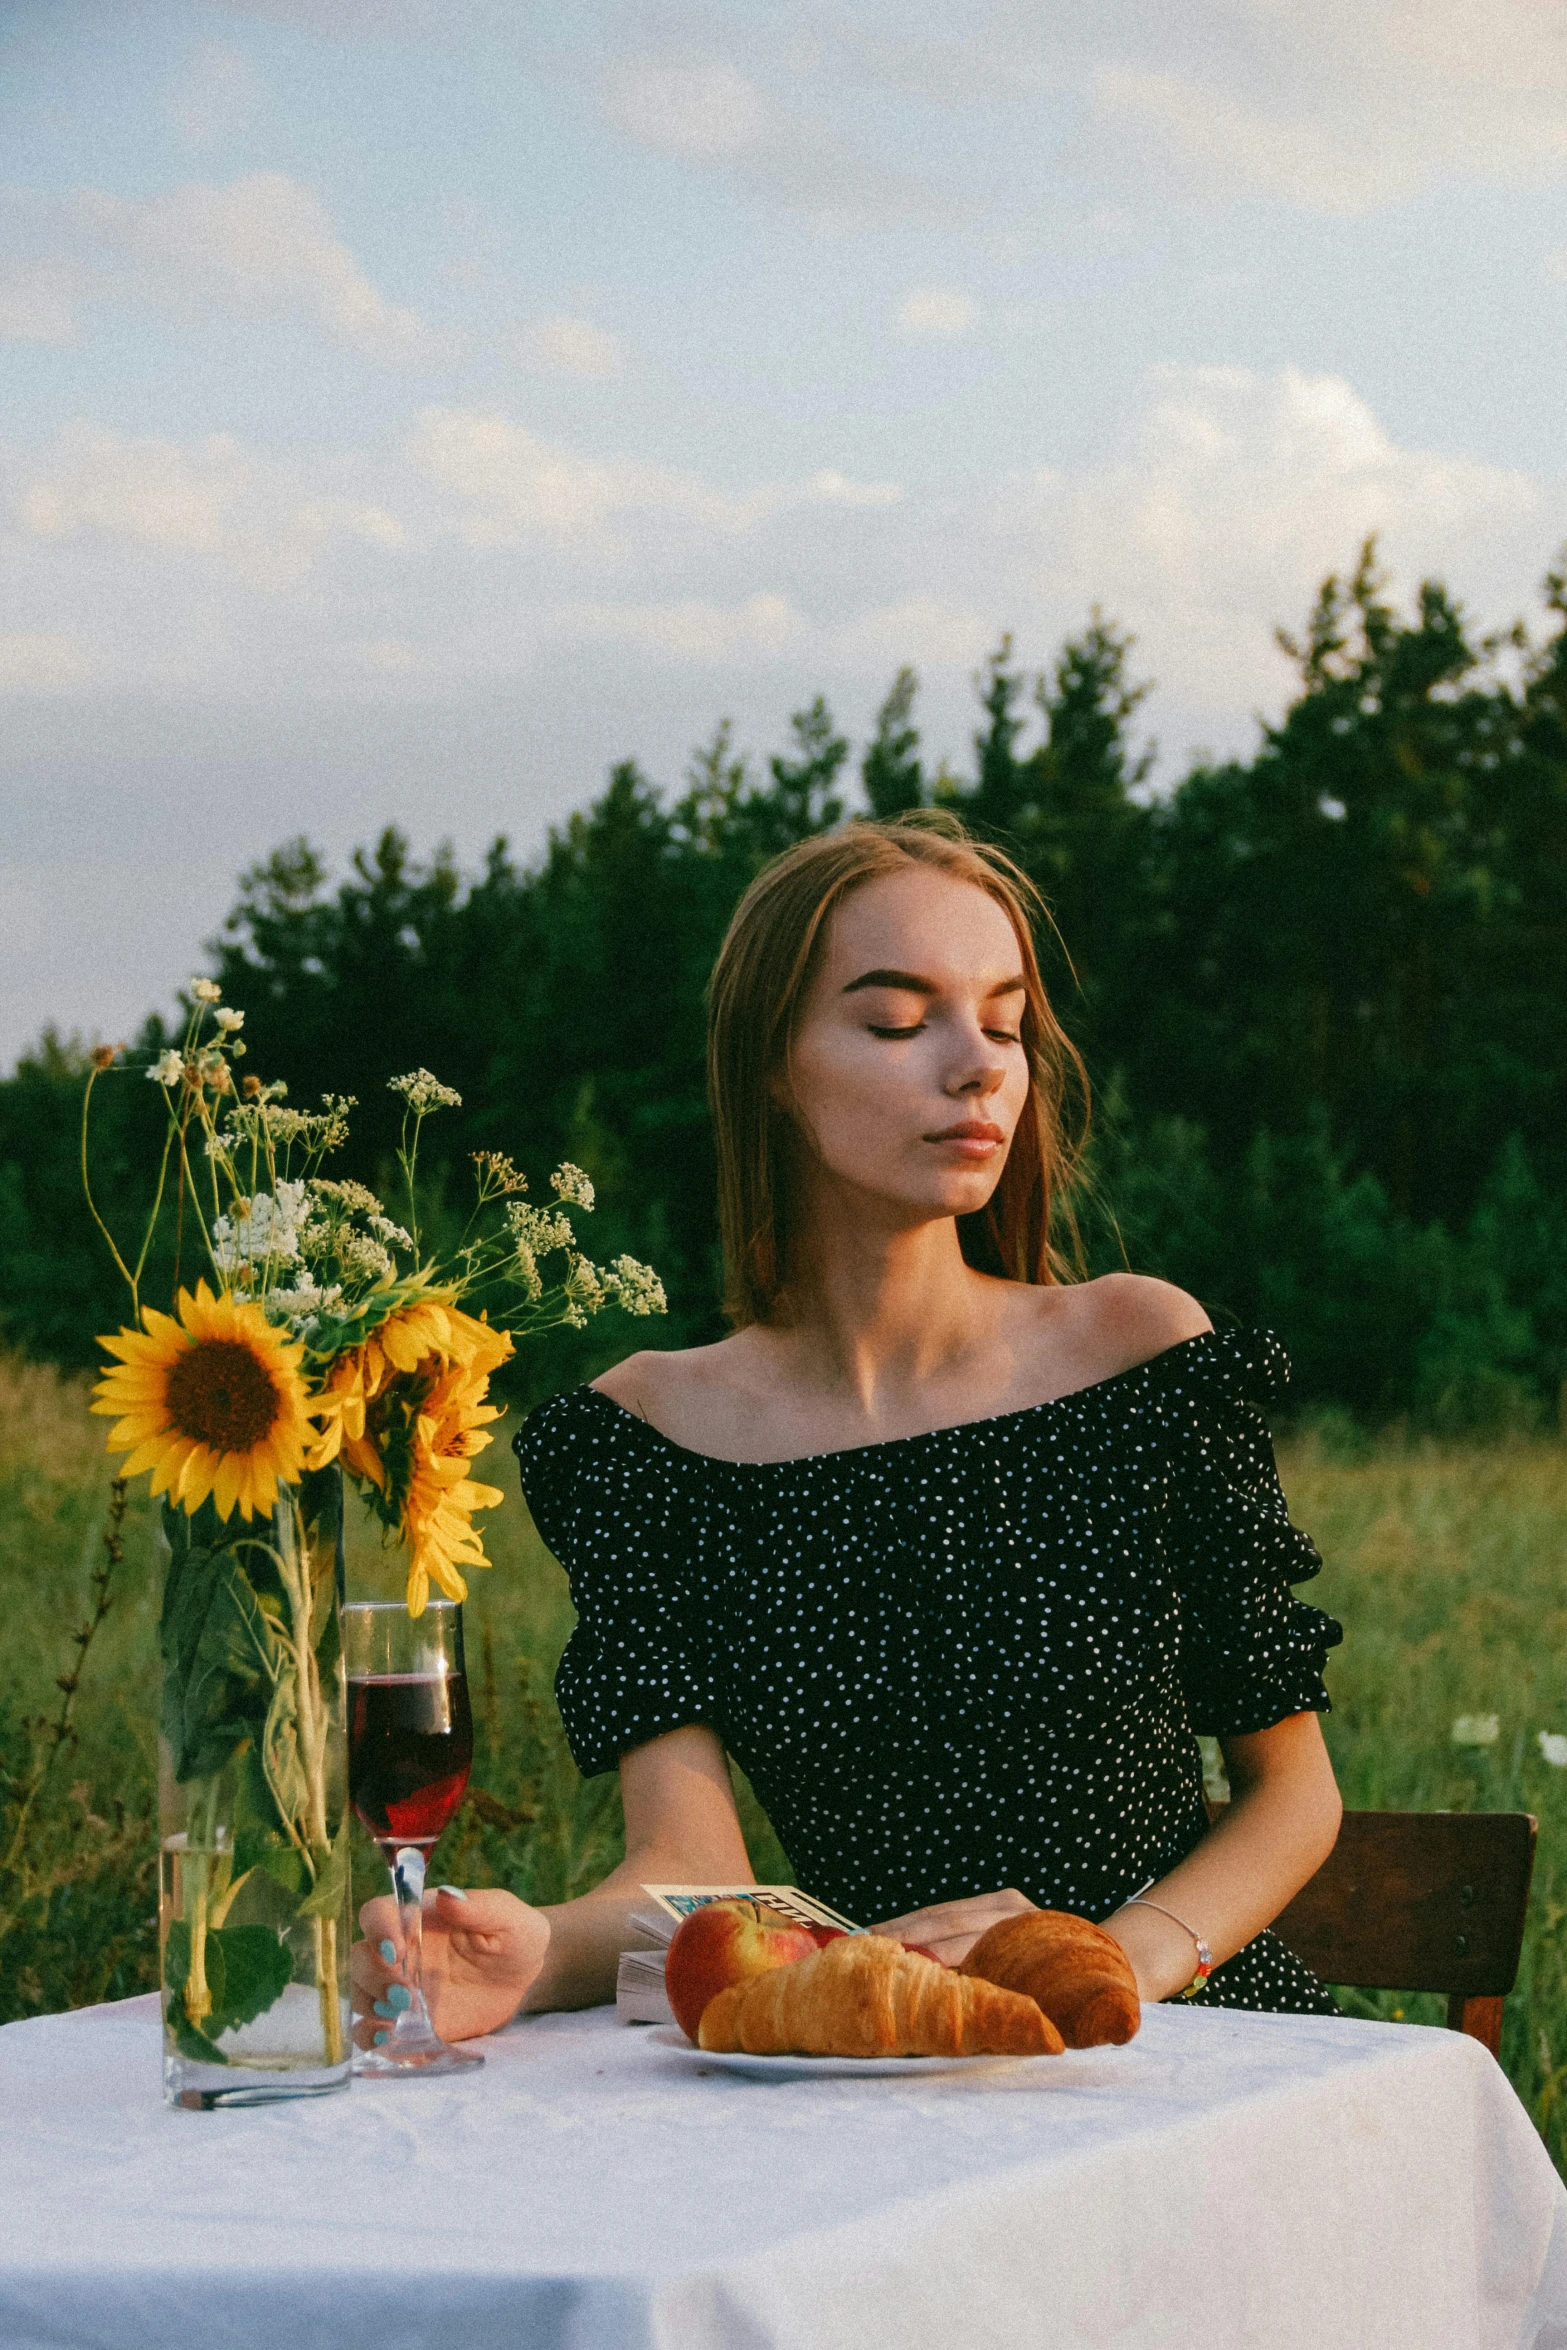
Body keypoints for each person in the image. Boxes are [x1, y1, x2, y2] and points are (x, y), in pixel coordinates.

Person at [351, 813, 1343, 2044]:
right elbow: (692, 1873)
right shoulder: (648, 1443)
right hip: (886, 2065)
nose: (975, 1063)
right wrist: (537, 1955)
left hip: (1180, 2042)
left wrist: (1104, 1962)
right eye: (894, 1021)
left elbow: (1293, 1795)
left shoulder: (1142, 1358)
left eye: (1003, 1021)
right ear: (773, 1063)